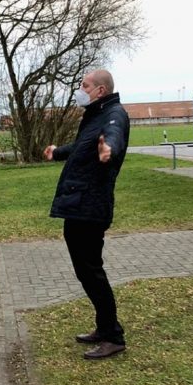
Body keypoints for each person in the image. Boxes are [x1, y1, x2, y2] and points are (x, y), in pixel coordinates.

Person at [43, 69, 130, 360]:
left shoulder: (114, 114)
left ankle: (113, 335)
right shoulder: (94, 116)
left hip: (90, 207)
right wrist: (57, 152)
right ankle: (104, 328)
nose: (80, 90)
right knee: (85, 271)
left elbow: (113, 137)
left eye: (85, 85)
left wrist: (110, 150)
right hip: (78, 205)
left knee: (91, 271)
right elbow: (82, 147)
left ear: (100, 91)